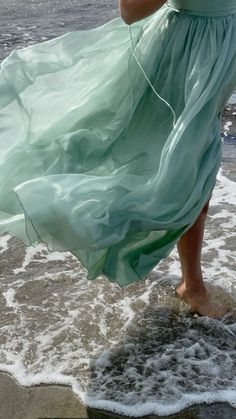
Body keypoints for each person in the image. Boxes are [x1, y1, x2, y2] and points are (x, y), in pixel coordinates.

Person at [0, 0, 235, 317]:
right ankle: (65, 209)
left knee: (198, 167)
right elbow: (131, 11)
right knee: (172, 172)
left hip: (216, 51)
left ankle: (192, 283)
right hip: (184, 56)